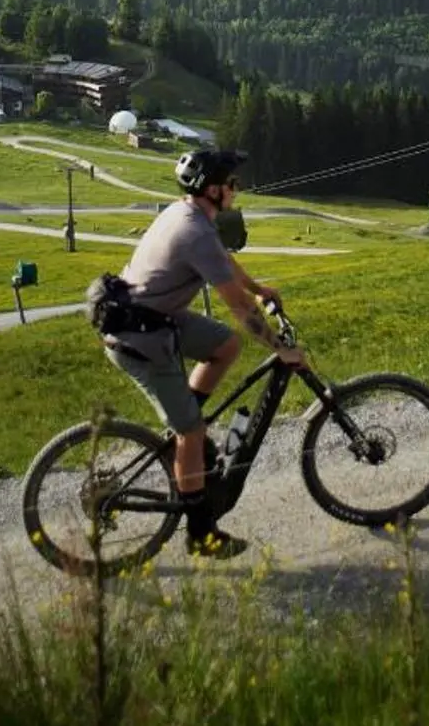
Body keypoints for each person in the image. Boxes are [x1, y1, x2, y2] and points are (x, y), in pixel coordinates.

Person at [98, 146, 307, 559]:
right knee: (191, 433)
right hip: (139, 338)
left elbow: (223, 263)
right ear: (213, 189)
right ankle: (200, 533)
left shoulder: (190, 215)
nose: (237, 189)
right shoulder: (195, 230)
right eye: (232, 183)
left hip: (152, 319)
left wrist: (258, 287)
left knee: (225, 344)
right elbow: (238, 308)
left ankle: (188, 425)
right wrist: (281, 347)